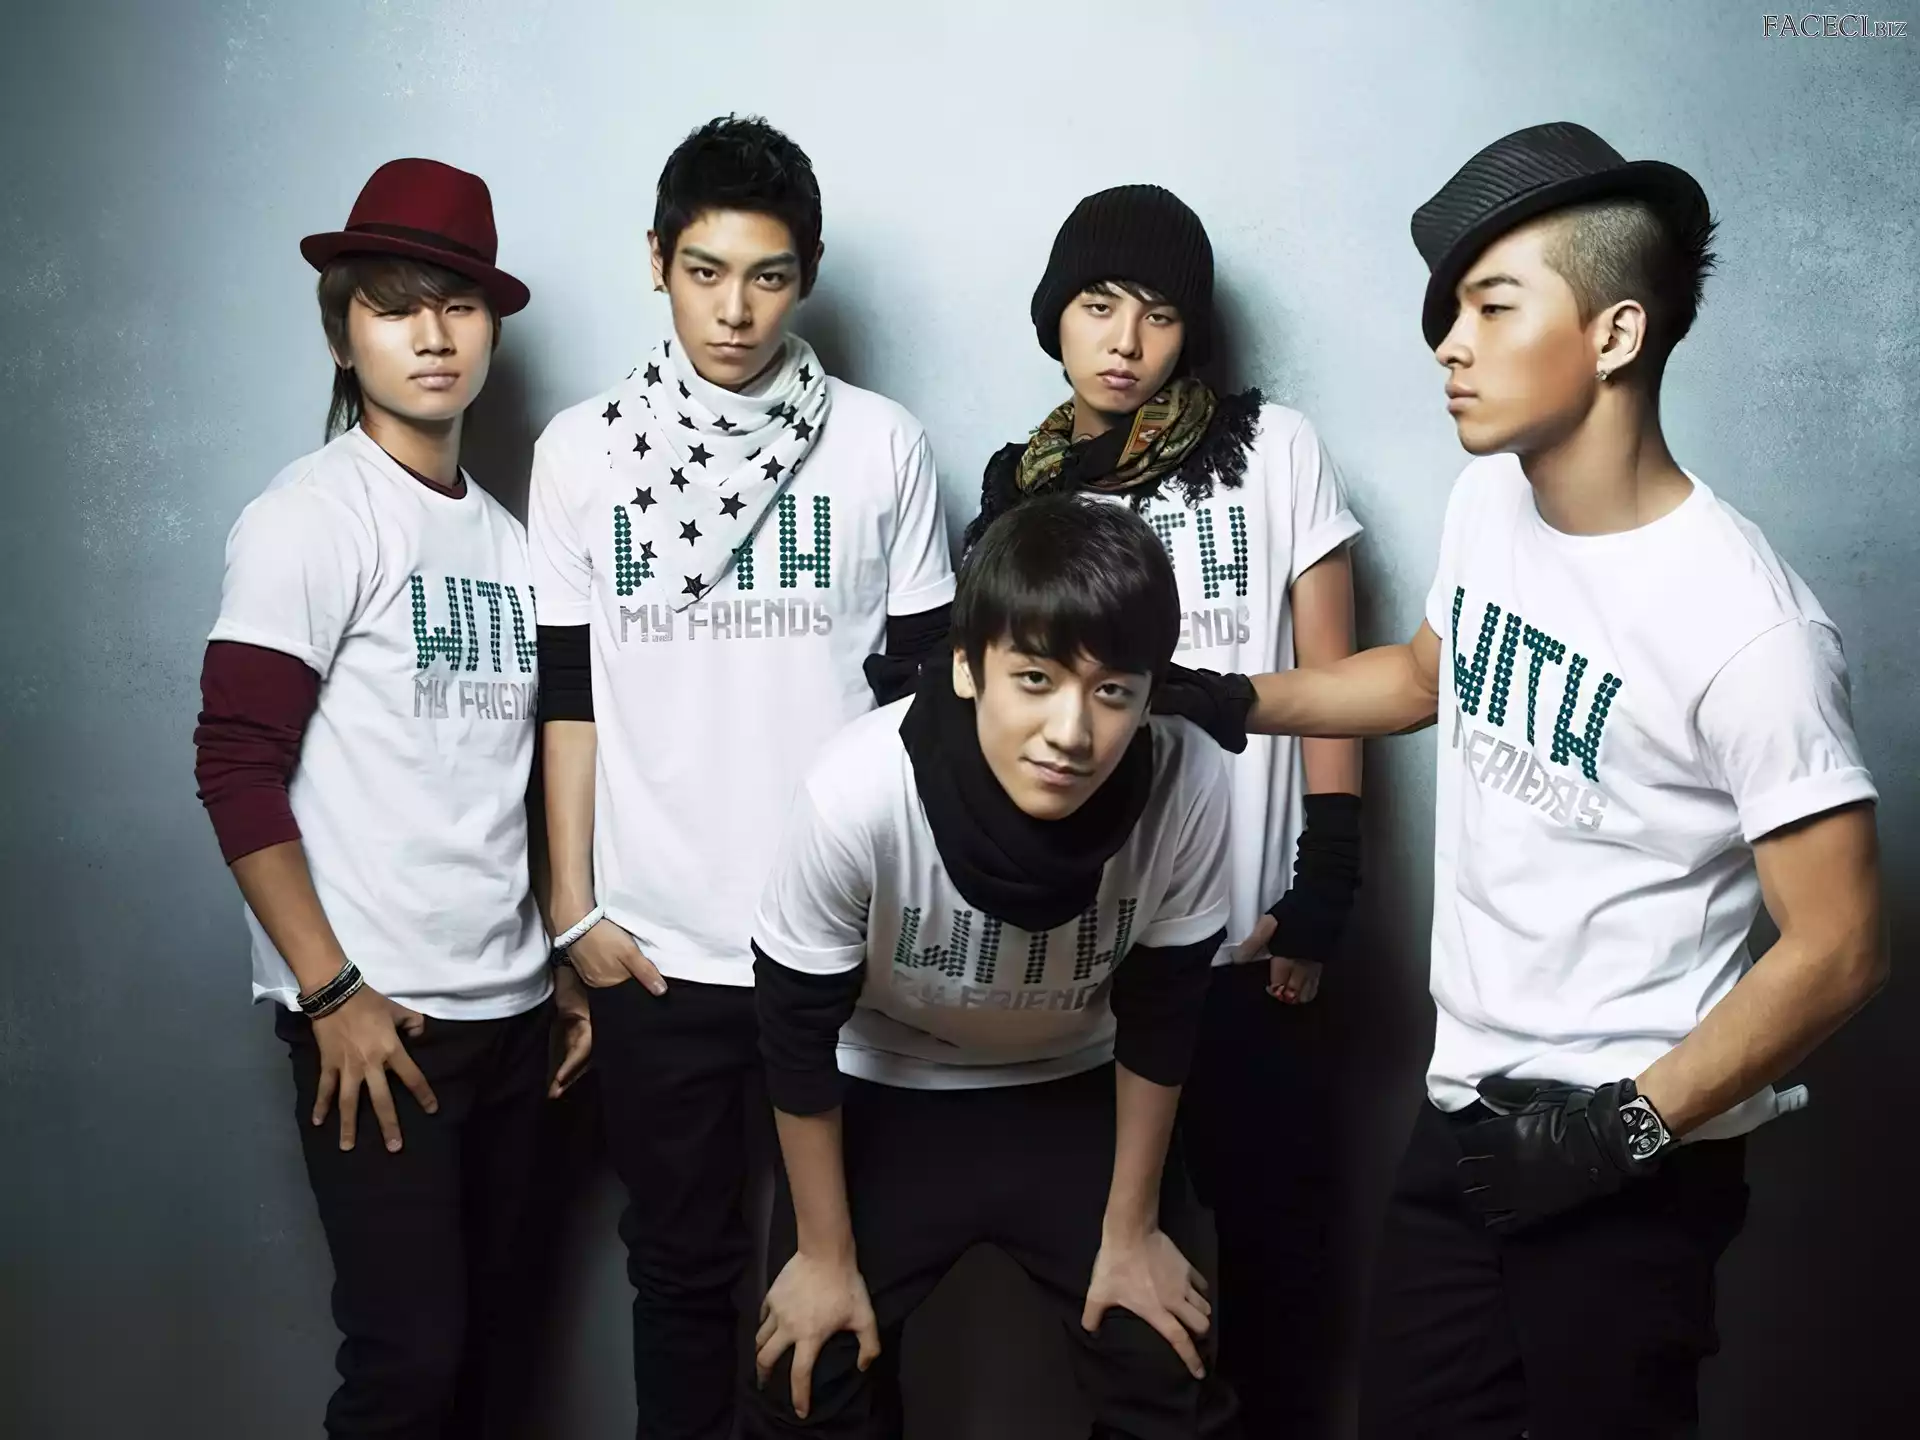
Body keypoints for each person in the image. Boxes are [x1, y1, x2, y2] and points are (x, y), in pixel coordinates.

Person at [1229, 122, 1887, 1437]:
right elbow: (1428, 676)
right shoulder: (1490, 505)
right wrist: (1223, 698)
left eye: (1492, 305)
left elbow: (1842, 946)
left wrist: (1617, 1135)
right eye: (1450, 311)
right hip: (1459, 1119)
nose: (1448, 344)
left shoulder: (1749, 629)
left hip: (1630, 1162)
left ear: (1615, 334)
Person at [526, 115, 955, 1440]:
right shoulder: (581, 452)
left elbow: (928, 709)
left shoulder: (881, 443)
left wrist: (905, 914)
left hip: (838, 940)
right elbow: (569, 697)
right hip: (653, 947)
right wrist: (573, 912)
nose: (734, 310)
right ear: (657, 260)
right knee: (677, 1274)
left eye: (767, 277)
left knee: (848, 1280)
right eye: (705, 271)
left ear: (805, 276)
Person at [192, 158, 589, 1439]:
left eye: (459, 305)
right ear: (342, 333)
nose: (431, 334)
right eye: (395, 306)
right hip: (380, 1020)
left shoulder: (513, 543)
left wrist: (560, 965)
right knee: (408, 1370)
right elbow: (234, 765)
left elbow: (513, 780)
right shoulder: (310, 518)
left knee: (498, 1370)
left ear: (491, 332)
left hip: (515, 1013)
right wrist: (331, 996)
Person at [965, 183, 1363, 1432]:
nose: (1126, 341)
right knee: (1129, 1292)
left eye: (1159, 313)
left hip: (1252, 939)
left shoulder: (1274, 448)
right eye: (1098, 306)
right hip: (1095, 959)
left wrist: (1328, 878)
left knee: (1278, 1264)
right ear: (1056, 316)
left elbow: (1338, 675)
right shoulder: (1022, 493)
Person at [747, 495, 1242, 1439]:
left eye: (1112, 692)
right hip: (885, 1086)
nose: (1070, 732)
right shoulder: (858, 791)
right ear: (968, 667)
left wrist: (1132, 1232)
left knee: (1165, 1361)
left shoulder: (1186, 778)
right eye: (1035, 680)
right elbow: (795, 1034)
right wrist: (823, 1256)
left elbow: (1165, 1010)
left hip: (1076, 1088)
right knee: (807, 1374)